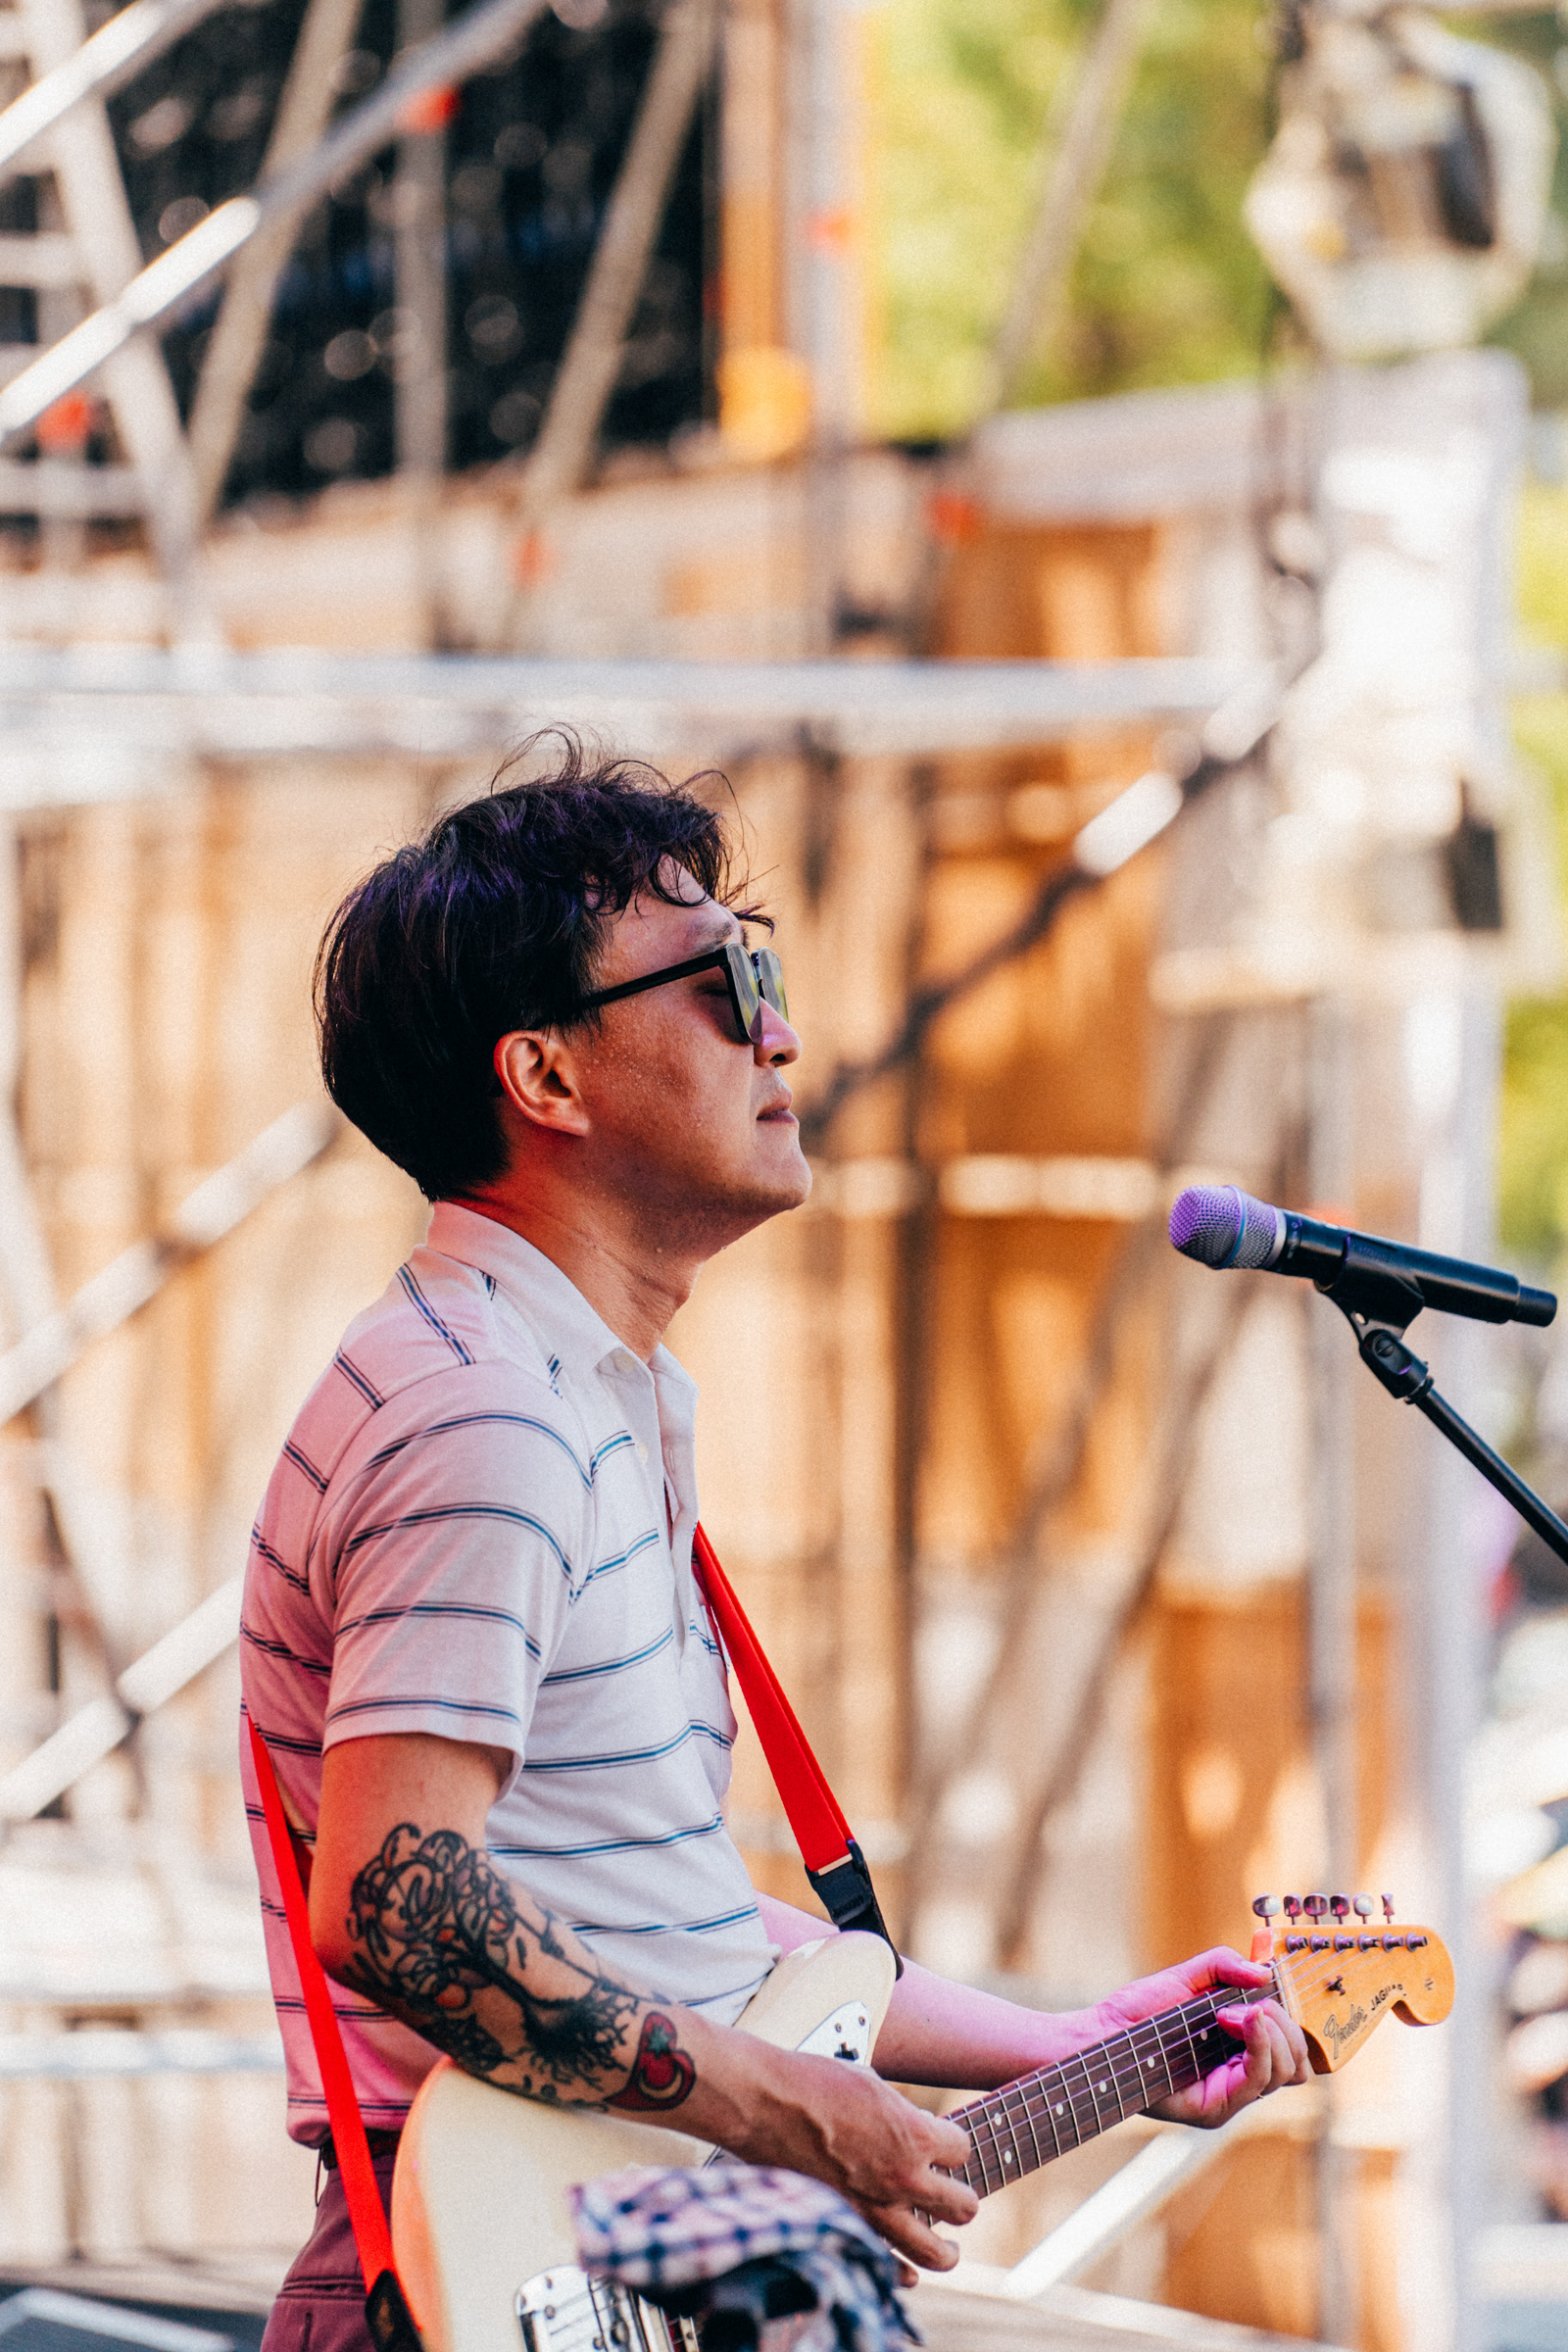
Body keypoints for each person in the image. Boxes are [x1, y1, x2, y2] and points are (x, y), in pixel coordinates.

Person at [242, 738, 1310, 2352]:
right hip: (487, 2278)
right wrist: (786, 2107)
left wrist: (1070, 2044)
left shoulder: (576, 1398)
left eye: (769, 972)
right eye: (725, 981)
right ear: (545, 1078)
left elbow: (670, 1922)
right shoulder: (486, 1418)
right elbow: (402, 1904)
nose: (783, 1029)